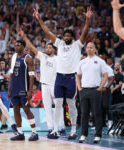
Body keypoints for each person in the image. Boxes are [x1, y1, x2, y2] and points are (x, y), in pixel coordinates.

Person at [33, 7, 92, 139]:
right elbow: (47, 32)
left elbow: (85, 32)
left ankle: (73, 130)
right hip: (59, 77)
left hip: (71, 77)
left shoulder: (77, 44)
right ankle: (55, 130)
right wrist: (40, 19)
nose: (66, 37)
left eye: (68, 36)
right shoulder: (59, 43)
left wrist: (87, 20)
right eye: (64, 35)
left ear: (72, 37)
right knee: (58, 104)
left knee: (71, 104)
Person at [19, 29, 65, 138]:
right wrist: (24, 36)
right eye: (47, 47)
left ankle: (61, 128)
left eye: (49, 47)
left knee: (59, 107)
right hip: (44, 85)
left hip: (55, 85)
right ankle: (50, 129)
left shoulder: (58, 59)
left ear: (54, 49)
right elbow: (31, 47)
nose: (47, 49)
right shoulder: (42, 56)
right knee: (47, 108)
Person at [76, 42, 108, 143]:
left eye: (91, 47)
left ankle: (98, 135)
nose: (89, 49)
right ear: (86, 49)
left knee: (96, 113)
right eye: (88, 47)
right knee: (84, 113)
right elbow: (78, 76)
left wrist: (100, 88)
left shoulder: (100, 61)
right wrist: (79, 87)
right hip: (84, 90)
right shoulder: (82, 62)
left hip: (95, 90)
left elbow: (105, 75)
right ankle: (83, 135)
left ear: (95, 49)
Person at [8, 40, 39, 141]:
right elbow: (11, 74)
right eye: (15, 45)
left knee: (26, 110)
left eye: (18, 45)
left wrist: (30, 91)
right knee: (16, 110)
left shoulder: (27, 58)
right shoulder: (13, 57)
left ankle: (34, 132)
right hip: (14, 89)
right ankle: (20, 133)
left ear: (23, 46)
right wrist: (9, 89)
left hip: (23, 89)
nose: (16, 46)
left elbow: (31, 76)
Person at [0, 57, 11, 133]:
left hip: (6, 91)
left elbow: (10, 78)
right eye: (0, 63)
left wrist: (1, 74)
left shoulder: (9, 70)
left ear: (5, 63)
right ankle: (4, 125)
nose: (1, 65)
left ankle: (3, 125)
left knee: (5, 108)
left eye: (2, 63)